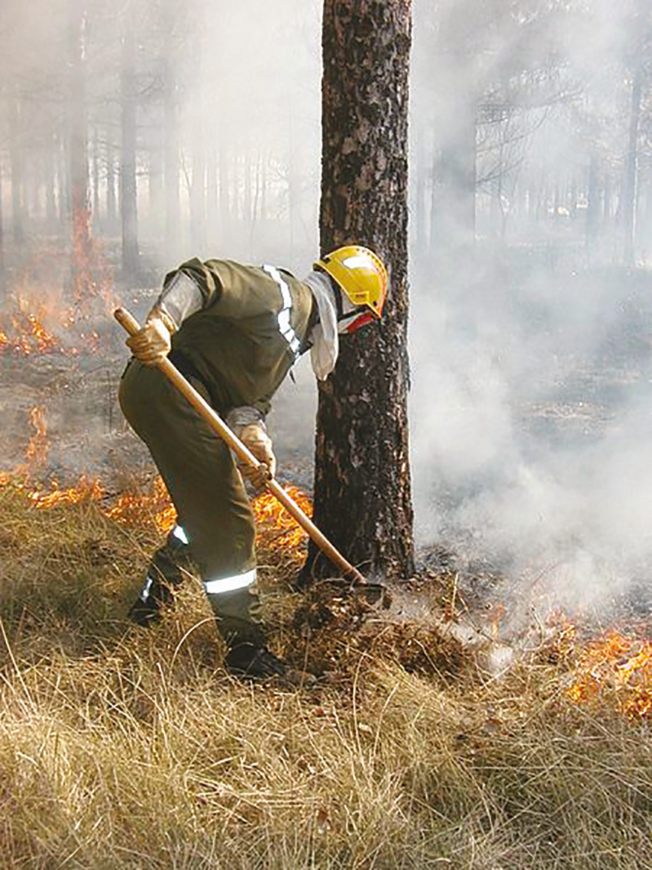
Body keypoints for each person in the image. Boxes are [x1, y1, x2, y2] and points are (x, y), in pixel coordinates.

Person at [118, 246, 388, 680]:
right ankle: (247, 652)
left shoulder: (294, 333)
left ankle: (151, 603)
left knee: (204, 508)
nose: (355, 331)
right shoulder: (283, 296)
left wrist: (254, 438)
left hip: (174, 396)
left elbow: (247, 402)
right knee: (230, 519)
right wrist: (161, 323)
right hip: (170, 386)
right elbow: (203, 278)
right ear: (352, 310)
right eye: (361, 322)